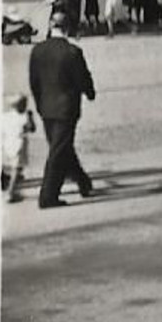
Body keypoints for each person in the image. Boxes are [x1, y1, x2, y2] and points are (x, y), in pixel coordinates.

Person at [30, 12, 97, 209]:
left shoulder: (38, 50)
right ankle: (48, 196)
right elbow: (82, 78)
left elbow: (34, 82)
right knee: (59, 151)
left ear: (51, 27)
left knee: (61, 148)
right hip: (66, 109)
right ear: (67, 28)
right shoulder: (72, 52)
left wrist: (39, 104)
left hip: (46, 107)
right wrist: (90, 92)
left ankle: (83, 182)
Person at [2, 93, 36, 203]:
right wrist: (31, 117)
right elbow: (32, 129)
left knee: (13, 168)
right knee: (17, 169)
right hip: (19, 144)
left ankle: (13, 190)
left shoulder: (6, 116)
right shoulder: (24, 117)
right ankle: (11, 192)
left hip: (8, 144)